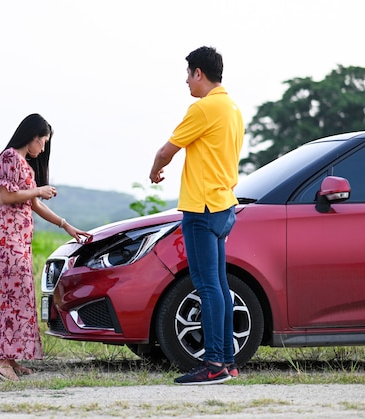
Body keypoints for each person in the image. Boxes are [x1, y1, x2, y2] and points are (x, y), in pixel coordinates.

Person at [149, 46, 244, 385]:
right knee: (219, 285)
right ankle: (228, 362)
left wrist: (155, 170)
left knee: (207, 286)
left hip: (202, 208)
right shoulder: (232, 108)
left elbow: (167, 151)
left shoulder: (203, 108)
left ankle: (214, 362)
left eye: (188, 74)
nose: (186, 82)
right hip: (224, 205)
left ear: (199, 73)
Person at [0, 113, 92, 382]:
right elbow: (5, 196)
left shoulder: (24, 164)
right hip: (7, 237)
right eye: (42, 141)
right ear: (31, 137)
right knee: (9, 294)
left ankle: (11, 356)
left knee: (18, 294)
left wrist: (66, 225)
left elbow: (35, 205)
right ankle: (0, 359)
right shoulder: (9, 157)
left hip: (19, 238)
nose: (43, 148)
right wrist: (38, 190)